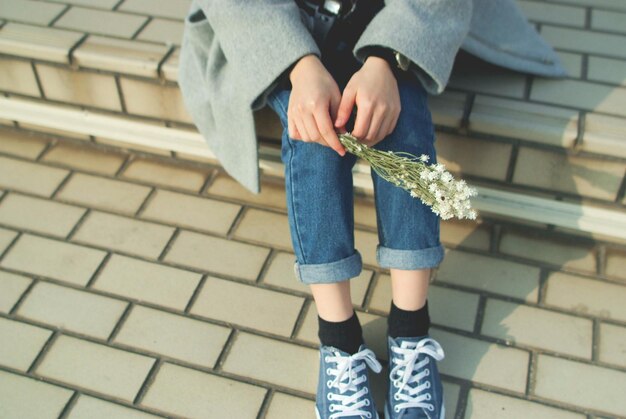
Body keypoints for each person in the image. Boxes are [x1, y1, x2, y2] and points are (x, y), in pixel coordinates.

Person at [263, 1, 446, 418]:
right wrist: (299, 63)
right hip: (291, 30)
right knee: (315, 141)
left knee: (404, 130)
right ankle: (339, 341)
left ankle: (411, 331)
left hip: (391, 25)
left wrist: (385, 57)